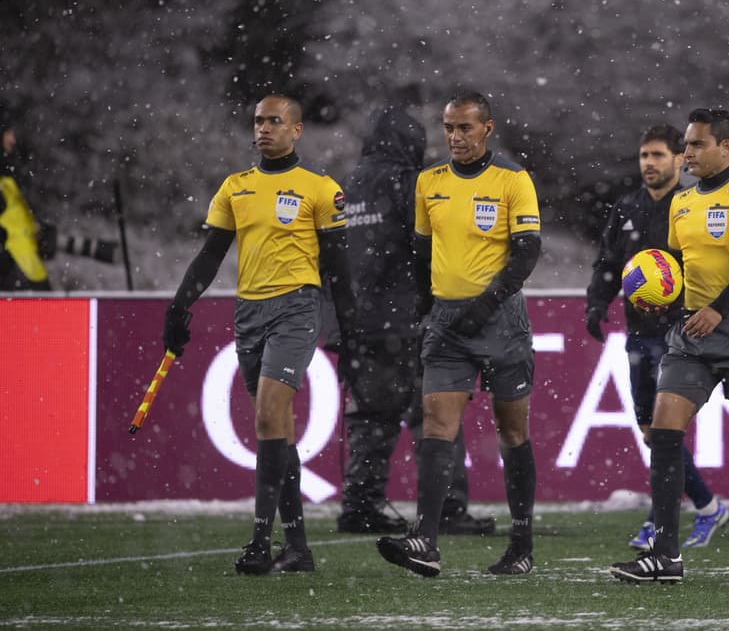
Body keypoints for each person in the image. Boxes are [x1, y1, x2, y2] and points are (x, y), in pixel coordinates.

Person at [163, 94, 355, 575]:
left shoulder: (320, 188)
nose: (265, 128)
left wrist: (350, 333)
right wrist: (179, 305)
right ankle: (298, 549)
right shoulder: (235, 187)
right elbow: (210, 255)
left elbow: (339, 270)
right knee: (276, 429)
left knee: (270, 415)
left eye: (275, 121)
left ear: (297, 130)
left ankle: (257, 541)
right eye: (258, 121)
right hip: (249, 310)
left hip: (297, 307)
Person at [609, 108, 729, 584]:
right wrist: (658, 299)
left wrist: (720, 308)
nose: (686, 152)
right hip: (691, 332)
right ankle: (666, 556)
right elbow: (677, 267)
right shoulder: (682, 203)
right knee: (664, 431)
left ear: (724, 147)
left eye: (695, 145)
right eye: (685, 145)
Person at [376, 90, 541, 577]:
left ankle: (522, 545)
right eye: (449, 128)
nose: (455, 137)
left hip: (501, 319)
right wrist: (427, 311)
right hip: (448, 323)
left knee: (513, 432)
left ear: (487, 128)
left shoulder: (513, 179)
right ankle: (425, 539)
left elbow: (527, 252)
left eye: (465, 128)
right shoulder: (429, 182)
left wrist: (485, 304)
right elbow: (422, 253)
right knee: (436, 425)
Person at [336, 106, 495, 537]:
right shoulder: (411, 184)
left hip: (357, 325)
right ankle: (446, 508)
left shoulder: (346, 189)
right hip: (408, 322)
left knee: (371, 417)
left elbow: (333, 260)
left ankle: (360, 503)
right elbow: (428, 249)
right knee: (436, 414)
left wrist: (341, 324)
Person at [585, 123, 729, 550]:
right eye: (645, 156)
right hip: (638, 335)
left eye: (659, 155)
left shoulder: (690, 206)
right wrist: (597, 303)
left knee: (667, 432)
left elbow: (707, 267)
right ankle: (708, 507)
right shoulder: (627, 208)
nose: (649, 163)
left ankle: (656, 521)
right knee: (652, 432)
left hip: (679, 336)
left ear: (678, 160)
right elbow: (608, 264)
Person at [0, 107, 52, 291]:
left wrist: (40, 231)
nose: (12, 140)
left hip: (25, 261)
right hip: (14, 261)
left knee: (44, 308)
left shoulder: (12, 171)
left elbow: (19, 212)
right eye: (8, 134)